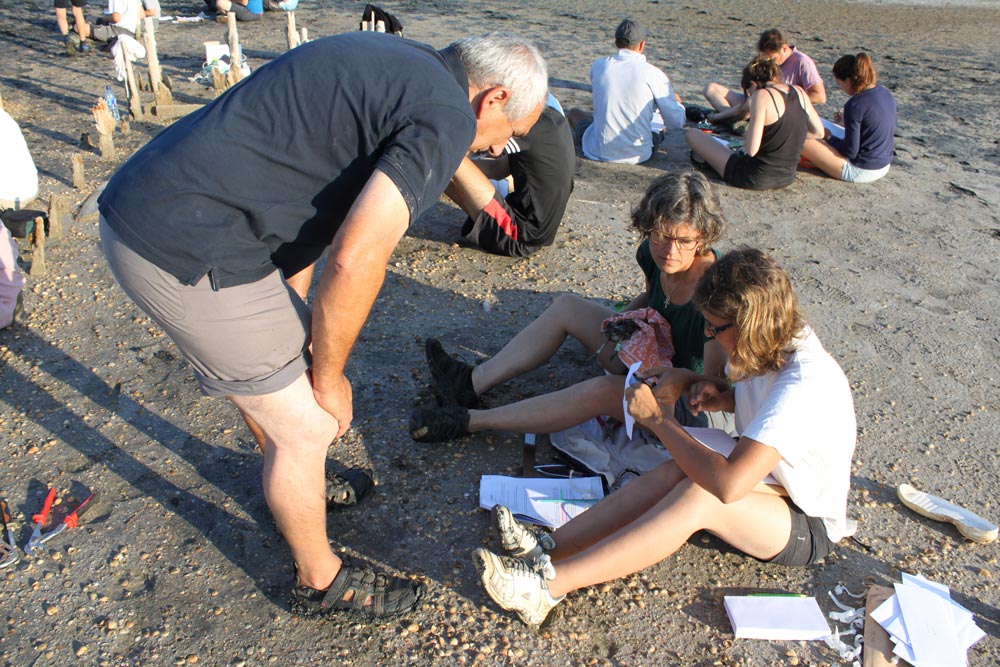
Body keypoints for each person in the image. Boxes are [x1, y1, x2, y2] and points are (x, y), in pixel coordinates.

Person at [97, 31, 548, 619]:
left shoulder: (401, 60)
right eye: (512, 131)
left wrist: (300, 334)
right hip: (183, 246)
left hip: (159, 198)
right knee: (308, 428)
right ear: (492, 99)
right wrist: (330, 377)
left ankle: (289, 477)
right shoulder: (446, 120)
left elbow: (316, 201)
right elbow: (357, 254)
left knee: (286, 378)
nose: (504, 145)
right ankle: (320, 581)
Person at [472, 247, 857, 626]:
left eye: (715, 327)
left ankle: (546, 589)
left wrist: (658, 420)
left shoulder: (802, 383)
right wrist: (715, 391)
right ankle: (549, 550)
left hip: (807, 520)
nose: (708, 334)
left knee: (701, 494)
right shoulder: (776, 338)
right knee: (682, 468)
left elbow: (728, 485)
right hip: (778, 482)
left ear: (749, 324)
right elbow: (760, 407)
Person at [409, 171, 729, 443]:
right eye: (661, 235)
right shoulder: (651, 253)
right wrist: (620, 323)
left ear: (702, 238)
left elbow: (714, 388)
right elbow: (651, 297)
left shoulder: (715, 290)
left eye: (684, 241)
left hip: (682, 399)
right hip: (649, 353)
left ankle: (469, 421)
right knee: (569, 307)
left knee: (597, 391)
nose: (670, 250)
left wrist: (668, 378)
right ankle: (469, 383)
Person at [444, 99, 575, 257]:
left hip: (519, 236)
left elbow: (466, 145)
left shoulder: (524, 125)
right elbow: (498, 169)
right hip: (537, 231)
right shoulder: (550, 118)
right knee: (449, 161)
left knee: (444, 150)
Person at [687, 56, 824, 190]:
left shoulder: (762, 96)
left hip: (755, 176)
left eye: (749, 91)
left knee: (692, 134)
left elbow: (751, 150)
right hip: (787, 176)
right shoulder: (799, 91)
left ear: (753, 84)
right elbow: (818, 132)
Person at [567, 18, 685, 165]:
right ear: (641, 44)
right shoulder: (654, 73)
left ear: (616, 42)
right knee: (661, 118)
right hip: (638, 154)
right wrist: (678, 105)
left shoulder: (599, 65)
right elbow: (676, 122)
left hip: (597, 150)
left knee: (574, 113)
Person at [800, 53, 895, 184]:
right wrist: (845, 123)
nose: (841, 88)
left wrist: (828, 138)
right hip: (883, 163)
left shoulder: (855, 105)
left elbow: (850, 151)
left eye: (840, 84)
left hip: (861, 170)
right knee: (820, 123)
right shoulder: (884, 93)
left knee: (801, 136)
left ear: (849, 80)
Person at [703, 28, 826, 127]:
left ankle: (723, 117)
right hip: (757, 100)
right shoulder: (767, 60)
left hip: (779, 108)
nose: (770, 63)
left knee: (752, 104)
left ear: (784, 49)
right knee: (711, 89)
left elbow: (820, 96)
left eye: (772, 59)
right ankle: (730, 118)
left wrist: (786, 99)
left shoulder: (802, 62)